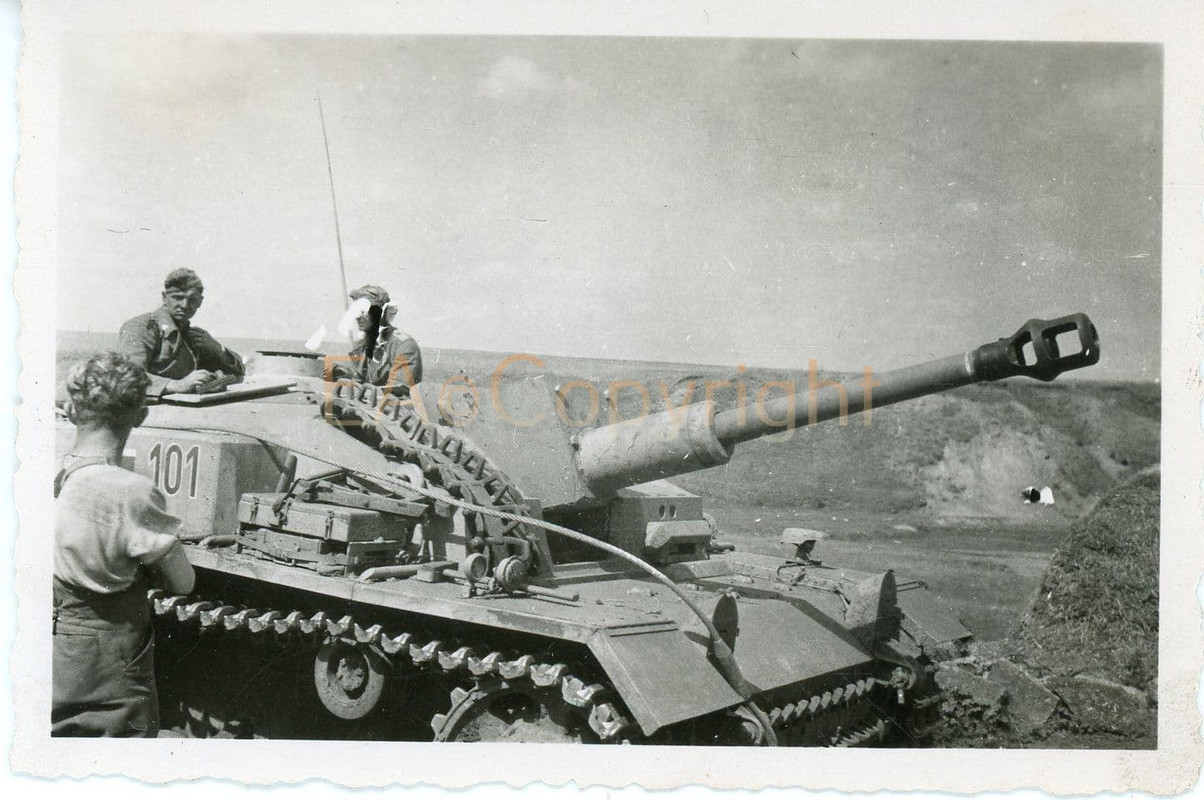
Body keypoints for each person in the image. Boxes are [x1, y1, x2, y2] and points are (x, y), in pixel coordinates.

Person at [53, 352, 196, 737]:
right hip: (109, 659)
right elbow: (183, 583)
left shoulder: (50, 469)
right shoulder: (132, 492)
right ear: (141, 415)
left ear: (69, 410)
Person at [118, 268, 244, 396]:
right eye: (177, 298)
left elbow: (239, 373)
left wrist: (217, 350)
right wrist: (176, 385)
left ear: (200, 302)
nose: (184, 305)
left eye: (192, 299)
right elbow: (127, 377)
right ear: (164, 298)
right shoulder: (142, 327)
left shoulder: (193, 336)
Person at [330, 284, 423, 397]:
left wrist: (361, 390)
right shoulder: (361, 344)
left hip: (397, 410)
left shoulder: (404, 345)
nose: (358, 316)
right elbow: (358, 378)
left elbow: (398, 390)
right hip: (368, 406)